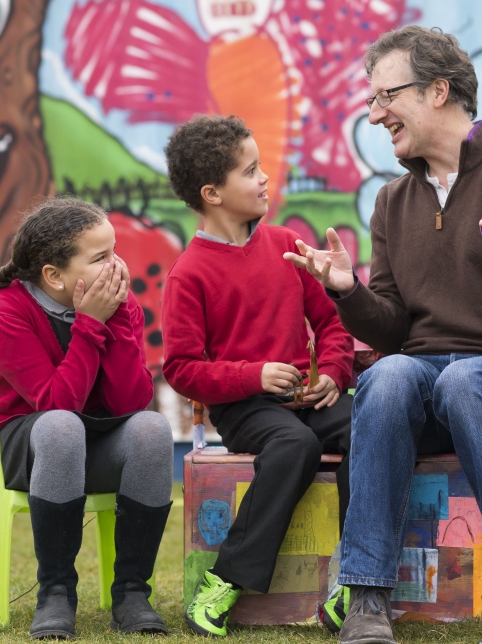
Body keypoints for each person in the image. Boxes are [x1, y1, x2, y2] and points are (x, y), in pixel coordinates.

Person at [284, 26, 482, 644]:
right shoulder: (392, 201)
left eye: (386, 96)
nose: (374, 114)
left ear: (439, 91)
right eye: (371, 100)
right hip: (425, 377)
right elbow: (393, 328)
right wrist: (347, 292)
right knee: (389, 374)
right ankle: (366, 596)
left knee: (469, 377)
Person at [0, 197, 175, 639]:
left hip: (93, 437)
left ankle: (131, 592)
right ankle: (55, 592)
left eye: (115, 251)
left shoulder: (114, 302)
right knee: (61, 426)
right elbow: (55, 403)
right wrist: (88, 325)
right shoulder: (5, 313)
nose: (116, 266)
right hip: (26, 444)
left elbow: (132, 400)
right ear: (53, 275)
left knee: (152, 429)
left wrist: (117, 323)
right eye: (101, 257)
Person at [160, 114, 355, 638]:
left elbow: (333, 323)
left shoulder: (286, 243)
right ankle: (223, 583)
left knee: (374, 425)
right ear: (212, 193)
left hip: (307, 397)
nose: (265, 178)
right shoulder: (188, 275)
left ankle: (357, 580)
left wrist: (334, 372)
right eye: (250, 171)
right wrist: (253, 376)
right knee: (294, 447)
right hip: (245, 408)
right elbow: (181, 368)